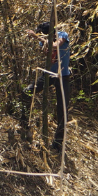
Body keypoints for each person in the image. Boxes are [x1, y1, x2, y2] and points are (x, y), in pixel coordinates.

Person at [28, 21, 72, 150]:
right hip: (48, 74)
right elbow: (49, 55)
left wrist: (37, 37)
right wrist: (42, 43)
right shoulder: (44, 41)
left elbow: (55, 46)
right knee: (28, 92)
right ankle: (23, 120)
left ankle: (58, 143)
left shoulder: (62, 35)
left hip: (63, 76)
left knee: (62, 110)